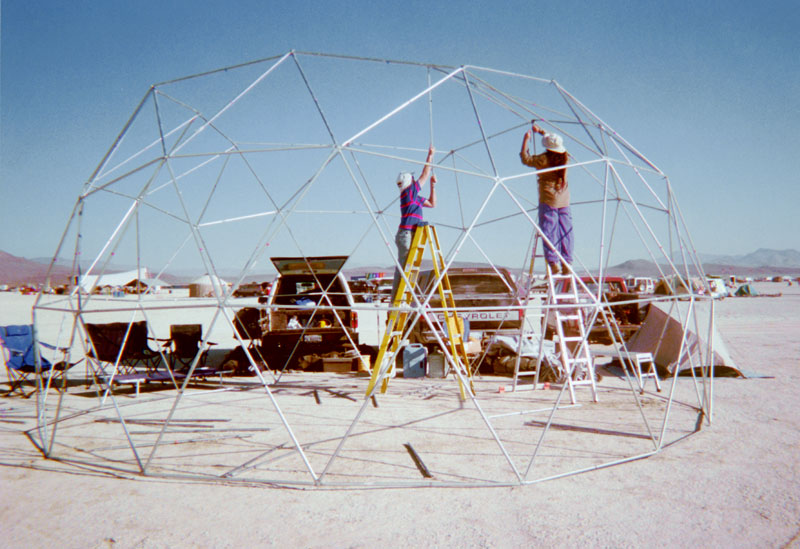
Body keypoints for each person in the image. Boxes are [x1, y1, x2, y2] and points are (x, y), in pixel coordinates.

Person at [520, 122, 572, 274]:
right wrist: (541, 131)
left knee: (549, 230)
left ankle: (553, 262)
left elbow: (526, 159)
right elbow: (554, 142)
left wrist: (526, 140)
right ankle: (567, 262)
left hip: (548, 199)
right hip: (564, 198)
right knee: (566, 230)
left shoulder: (543, 159)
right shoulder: (565, 157)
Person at [391, 144, 437, 300]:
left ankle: (400, 299)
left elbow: (432, 203)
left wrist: (432, 185)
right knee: (404, 269)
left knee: (405, 268)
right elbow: (424, 174)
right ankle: (396, 301)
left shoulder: (413, 198)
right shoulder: (409, 192)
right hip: (406, 234)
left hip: (408, 234)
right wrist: (430, 155)